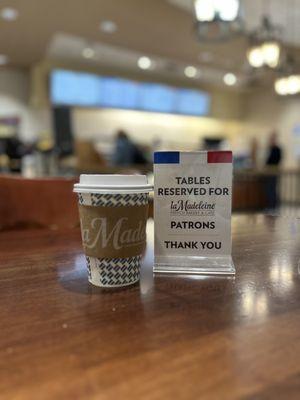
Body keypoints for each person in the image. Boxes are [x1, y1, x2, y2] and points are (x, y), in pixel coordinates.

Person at [265, 131, 282, 210]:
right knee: (269, 189)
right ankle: (270, 206)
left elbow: (276, 160)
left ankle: (273, 206)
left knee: (272, 189)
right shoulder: (269, 148)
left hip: (273, 172)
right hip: (268, 172)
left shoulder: (277, 149)